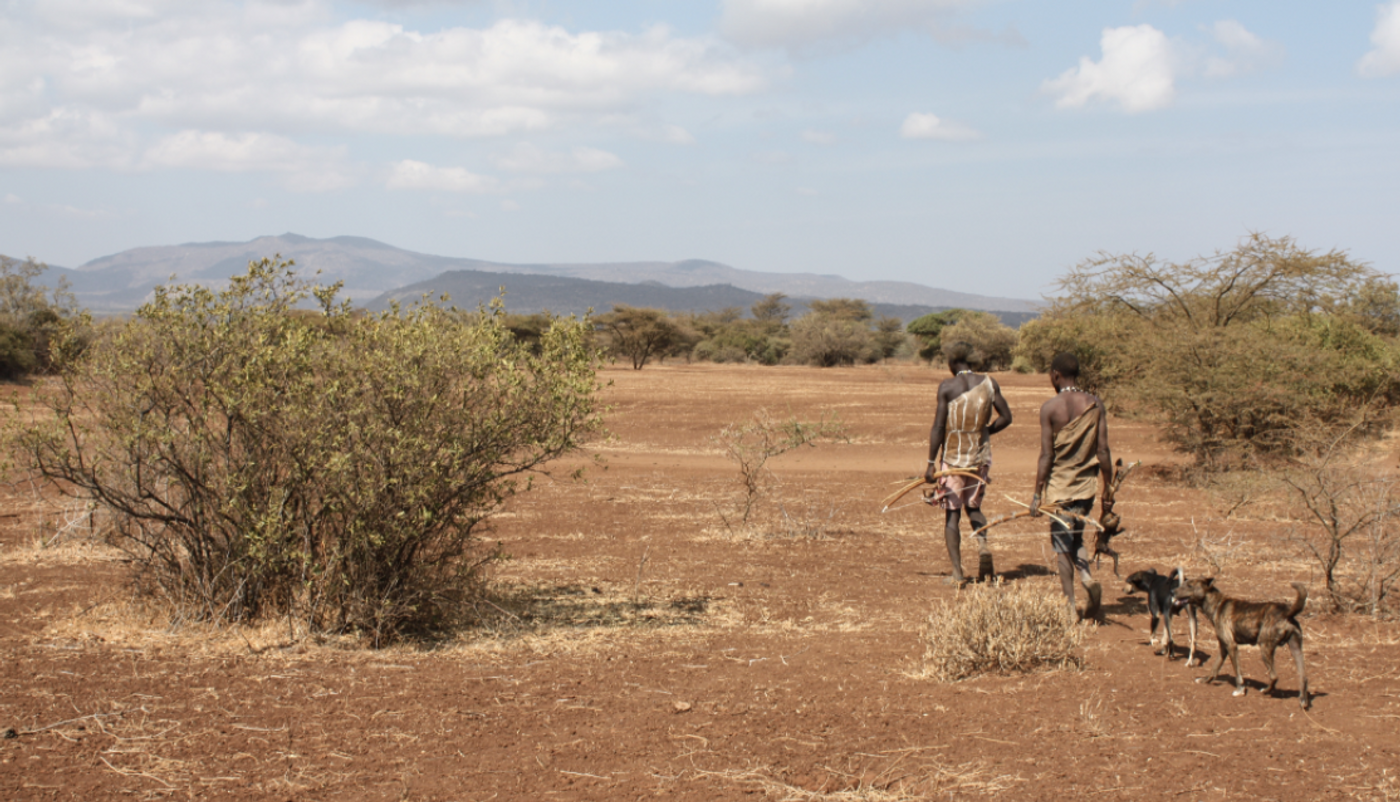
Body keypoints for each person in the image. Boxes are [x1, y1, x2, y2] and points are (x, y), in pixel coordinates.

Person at [1031, 352, 1114, 623]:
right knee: (1077, 538)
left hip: (1059, 489)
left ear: (1056, 375)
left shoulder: (1050, 408)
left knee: (1061, 547)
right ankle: (1088, 578)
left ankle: (1069, 606)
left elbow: (1046, 456)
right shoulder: (1094, 404)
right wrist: (1107, 488)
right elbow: (1102, 450)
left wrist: (1036, 494)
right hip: (1086, 487)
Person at [924, 342, 1012, 585]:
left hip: (952, 459)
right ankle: (983, 545)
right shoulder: (989, 383)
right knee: (973, 507)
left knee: (952, 516)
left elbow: (939, 427)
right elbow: (1006, 418)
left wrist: (931, 464)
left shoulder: (947, 387)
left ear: (952, 363)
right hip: (979, 458)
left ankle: (957, 574)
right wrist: (985, 433)